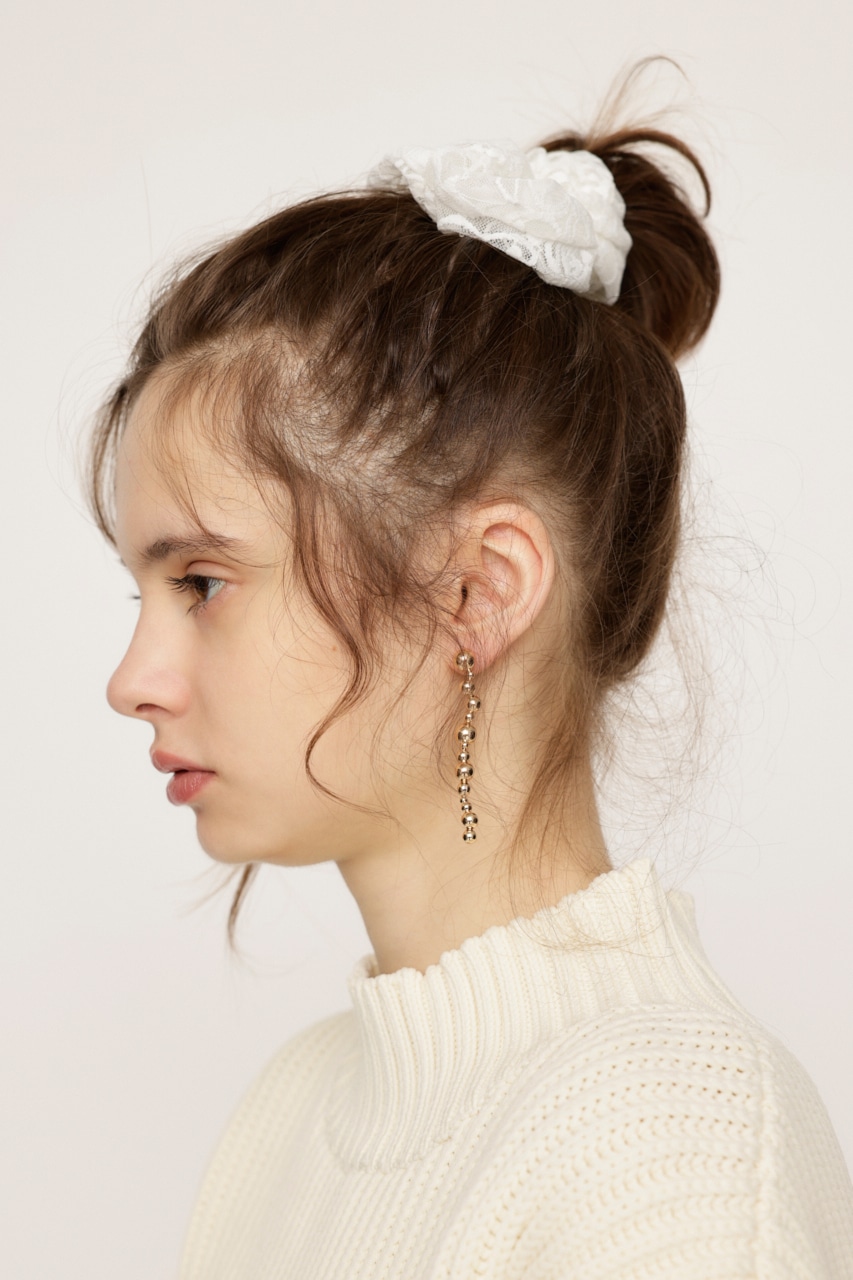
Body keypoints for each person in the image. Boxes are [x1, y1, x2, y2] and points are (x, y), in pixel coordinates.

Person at [86, 85, 853, 1279]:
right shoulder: (291, 1113)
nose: (131, 680)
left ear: (477, 593)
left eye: (202, 582)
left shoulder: (672, 1159)